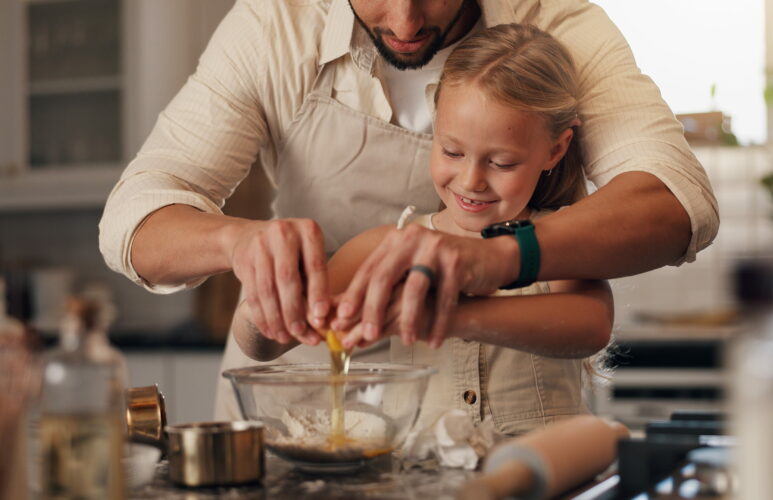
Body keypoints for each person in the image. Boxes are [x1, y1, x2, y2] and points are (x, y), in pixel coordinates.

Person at [97, 0, 718, 419]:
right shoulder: (273, 24)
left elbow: (675, 201)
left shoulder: (554, 18)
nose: (404, 20)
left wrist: (495, 259)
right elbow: (137, 213)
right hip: (304, 418)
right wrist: (243, 247)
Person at [232, 23, 614, 432]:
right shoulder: (389, 248)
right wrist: (270, 298)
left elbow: (590, 326)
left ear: (555, 149)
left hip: (545, 480)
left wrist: (452, 315)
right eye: (451, 150)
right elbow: (262, 344)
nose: (471, 181)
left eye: (502, 163)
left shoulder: (560, 241)